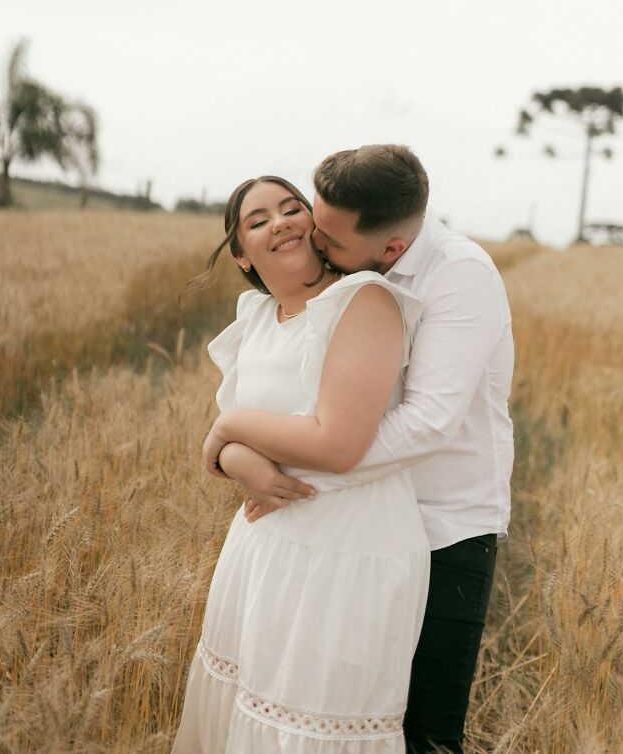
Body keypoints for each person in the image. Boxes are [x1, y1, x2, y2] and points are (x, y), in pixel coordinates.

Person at [212, 145, 515, 754]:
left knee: (425, 728)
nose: (312, 242)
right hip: (330, 532)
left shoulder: (458, 276)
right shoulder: (340, 277)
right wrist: (238, 453)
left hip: (446, 526)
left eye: (327, 237)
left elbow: (427, 423)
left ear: (391, 250)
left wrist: (282, 461)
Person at [171, 174, 431, 754]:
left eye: (292, 209)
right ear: (241, 252)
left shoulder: (363, 302)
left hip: (349, 552)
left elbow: (338, 445)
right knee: (244, 716)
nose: (281, 222)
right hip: (262, 549)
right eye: (258, 220)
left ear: (315, 225)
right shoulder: (258, 319)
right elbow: (231, 441)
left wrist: (229, 431)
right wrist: (242, 458)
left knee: (311, 724)